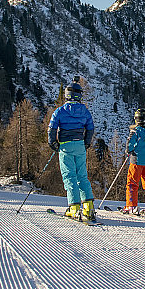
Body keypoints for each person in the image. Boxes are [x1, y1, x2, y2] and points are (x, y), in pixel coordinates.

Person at [48, 77, 97, 221]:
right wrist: (87, 142)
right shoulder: (85, 111)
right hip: (80, 145)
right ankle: (88, 208)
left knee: (69, 176)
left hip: (65, 146)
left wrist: (53, 143)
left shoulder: (60, 111)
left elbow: (52, 129)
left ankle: (74, 208)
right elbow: (90, 128)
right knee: (82, 176)